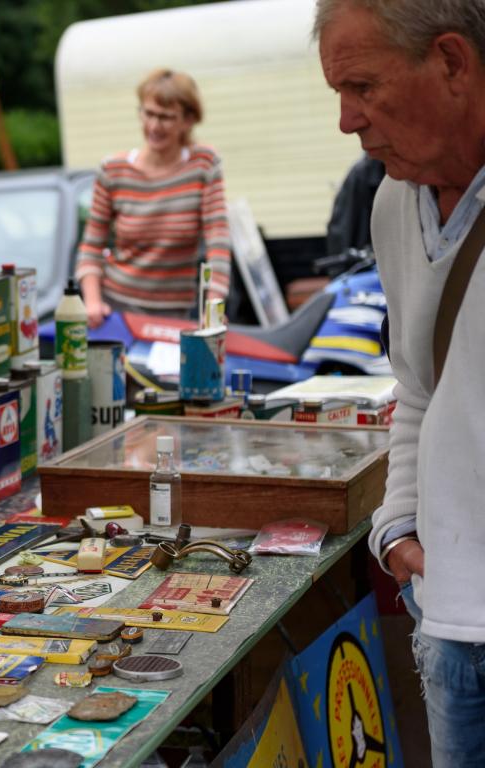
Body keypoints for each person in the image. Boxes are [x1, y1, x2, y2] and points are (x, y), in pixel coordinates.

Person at [316, 1, 485, 764]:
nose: (348, 121)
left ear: (452, 61)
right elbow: (420, 387)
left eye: (363, 87)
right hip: (448, 618)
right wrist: (396, 529)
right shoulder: (392, 200)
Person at [74, 68, 231, 328]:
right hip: (116, 310)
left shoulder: (204, 165)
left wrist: (214, 306)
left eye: (166, 117)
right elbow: (91, 248)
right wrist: (92, 302)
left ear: (188, 120)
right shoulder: (113, 171)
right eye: (148, 114)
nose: (154, 126)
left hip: (173, 316)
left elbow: (218, 241)